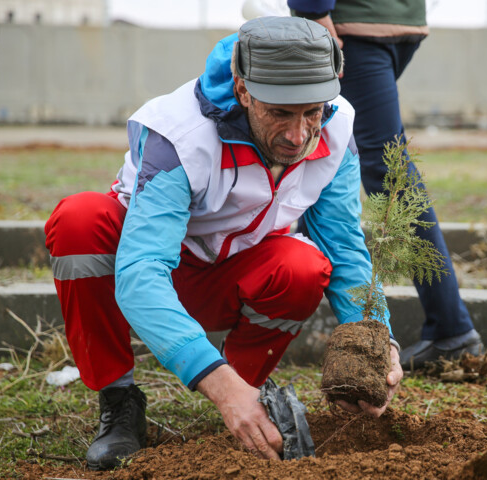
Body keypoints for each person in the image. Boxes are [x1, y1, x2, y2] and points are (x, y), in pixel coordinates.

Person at [44, 16, 402, 470]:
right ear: (243, 89)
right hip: (155, 277)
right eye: (280, 114)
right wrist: (212, 377)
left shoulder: (334, 127)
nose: (298, 136)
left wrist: (377, 337)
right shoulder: (179, 134)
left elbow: (344, 247)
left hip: (233, 276)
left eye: (312, 111)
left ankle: (245, 392)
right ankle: (120, 402)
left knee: (303, 265)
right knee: (79, 221)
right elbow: (140, 273)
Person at [287, 0, 485, 370]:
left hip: (352, 25)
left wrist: (312, 10)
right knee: (341, 144)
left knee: (387, 168)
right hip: (396, 19)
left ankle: (452, 329)